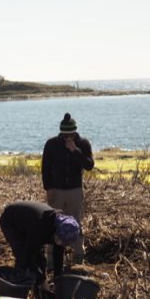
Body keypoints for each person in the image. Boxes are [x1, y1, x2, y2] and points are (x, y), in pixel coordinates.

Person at [42, 112, 94, 265]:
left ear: (75, 132)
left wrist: (75, 151)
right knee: (53, 223)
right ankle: (51, 258)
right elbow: (45, 168)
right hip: (56, 190)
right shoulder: (51, 144)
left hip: (75, 190)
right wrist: (48, 188)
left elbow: (89, 165)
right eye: (64, 135)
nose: (67, 138)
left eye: (70, 135)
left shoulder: (83, 144)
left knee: (76, 222)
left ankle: (78, 255)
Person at [0, 201, 81, 283]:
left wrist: (57, 276)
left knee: (41, 262)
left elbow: (58, 252)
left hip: (29, 224)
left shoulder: (62, 228)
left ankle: (39, 288)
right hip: (11, 221)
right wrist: (39, 275)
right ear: (57, 232)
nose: (62, 244)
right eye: (62, 241)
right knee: (23, 257)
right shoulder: (41, 228)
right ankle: (16, 285)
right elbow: (28, 253)